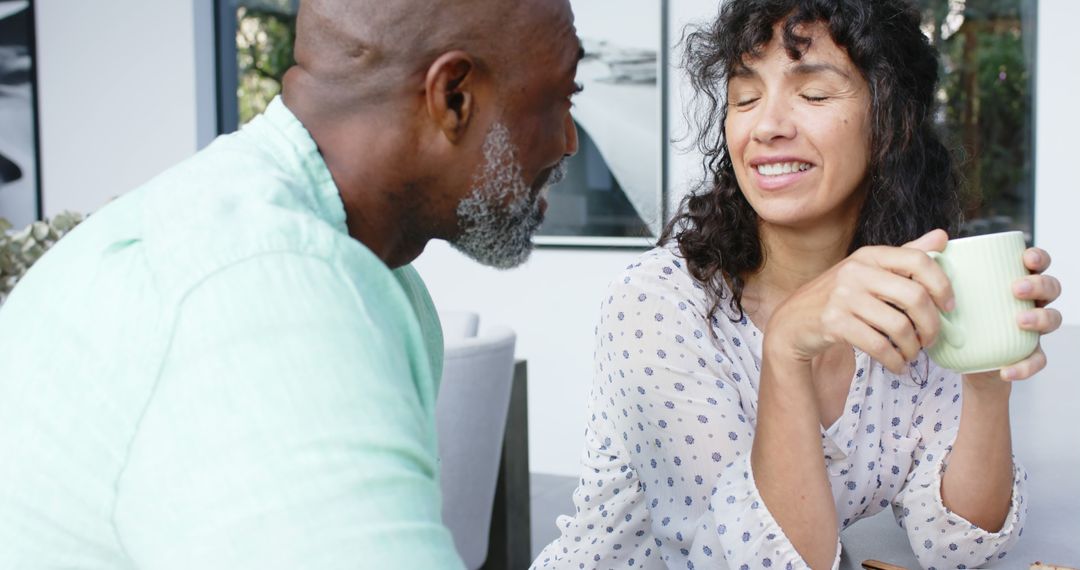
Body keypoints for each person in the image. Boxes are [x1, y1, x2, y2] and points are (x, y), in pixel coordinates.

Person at [0, 0, 581, 567]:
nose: (568, 141)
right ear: (452, 96)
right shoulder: (267, 290)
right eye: (558, 100)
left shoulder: (369, 270)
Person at [532, 1, 1062, 569]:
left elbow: (956, 546)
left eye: (812, 95)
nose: (766, 125)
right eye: (745, 97)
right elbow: (743, 562)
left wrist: (985, 376)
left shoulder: (904, 296)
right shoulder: (660, 304)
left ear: (891, 120)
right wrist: (785, 348)